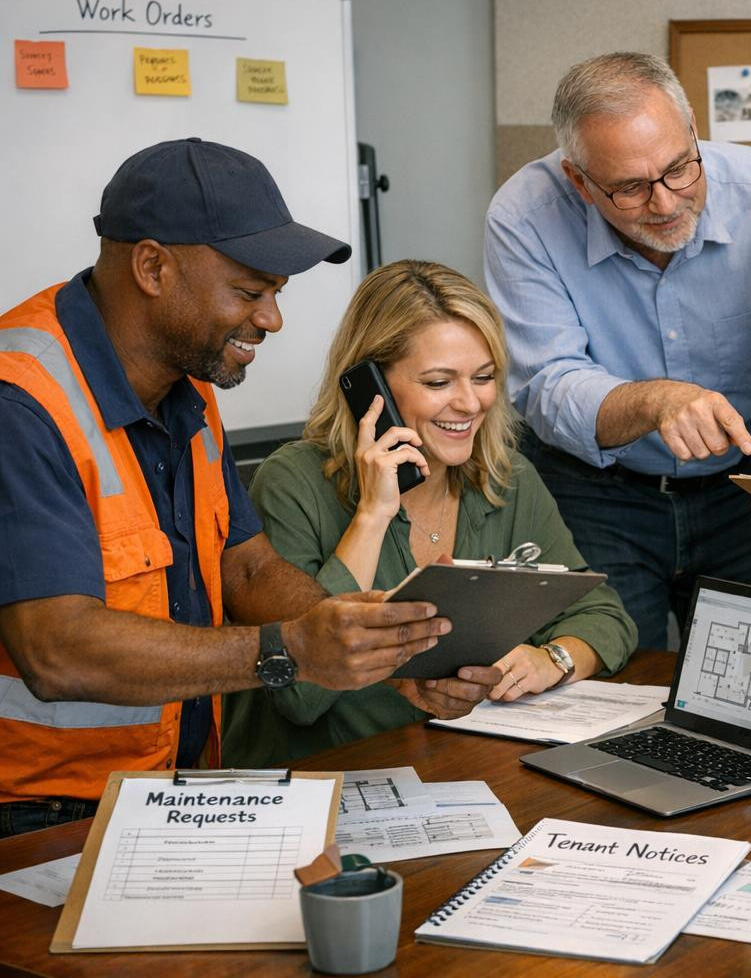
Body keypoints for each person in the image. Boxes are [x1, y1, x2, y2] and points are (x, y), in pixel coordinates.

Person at [0, 139, 477, 836]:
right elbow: (55, 648)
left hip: (171, 787)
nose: (272, 320)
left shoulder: (187, 382)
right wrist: (290, 651)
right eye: (250, 292)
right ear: (154, 266)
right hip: (36, 814)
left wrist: (377, 654)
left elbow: (244, 564)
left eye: (276, 295)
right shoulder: (22, 403)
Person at [223, 261, 637, 766]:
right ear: (370, 385)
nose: (470, 403)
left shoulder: (506, 477)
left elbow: (604, 615)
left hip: (451, 769)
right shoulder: (293, 482)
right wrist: (373, 515)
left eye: (483, 378)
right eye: (440, 382)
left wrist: (551, 659)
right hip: (324, 783)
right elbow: (301, 697)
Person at [485, 52, 751, 649]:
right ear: (579, 180)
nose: (666, 204)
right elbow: (546, 384)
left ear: (693, 128)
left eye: (679, 170)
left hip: (741, 491)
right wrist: (657, 402)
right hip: (593, 493)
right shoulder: (525, 217)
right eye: (630, 188)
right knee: (607, 699)